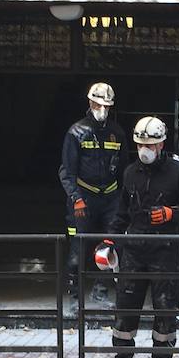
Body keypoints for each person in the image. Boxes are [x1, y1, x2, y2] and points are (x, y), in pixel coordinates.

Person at [108, 116, 179, 358]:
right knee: (126, 305)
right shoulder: (130, 173)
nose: (144, 150)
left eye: (149, 145)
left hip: (165, 249)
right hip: (134, 249)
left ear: (161, 144)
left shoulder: (178, 172)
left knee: (165, 306)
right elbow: (121, 213)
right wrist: (109, 240)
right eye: (140, 145)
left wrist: (171, 213)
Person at [58, 82, 125, 303]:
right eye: (98, 105)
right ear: (90, 102)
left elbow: (124, 169)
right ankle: (75, 298)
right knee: (77, 249)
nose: (102, 109)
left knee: (108, 247)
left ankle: (101, 292)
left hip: (110, 198)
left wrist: (123, 200)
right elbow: (67, 171)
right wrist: (76, 198)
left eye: (106, 106)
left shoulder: (117, 132)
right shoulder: (76, 132)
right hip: (83, 198)